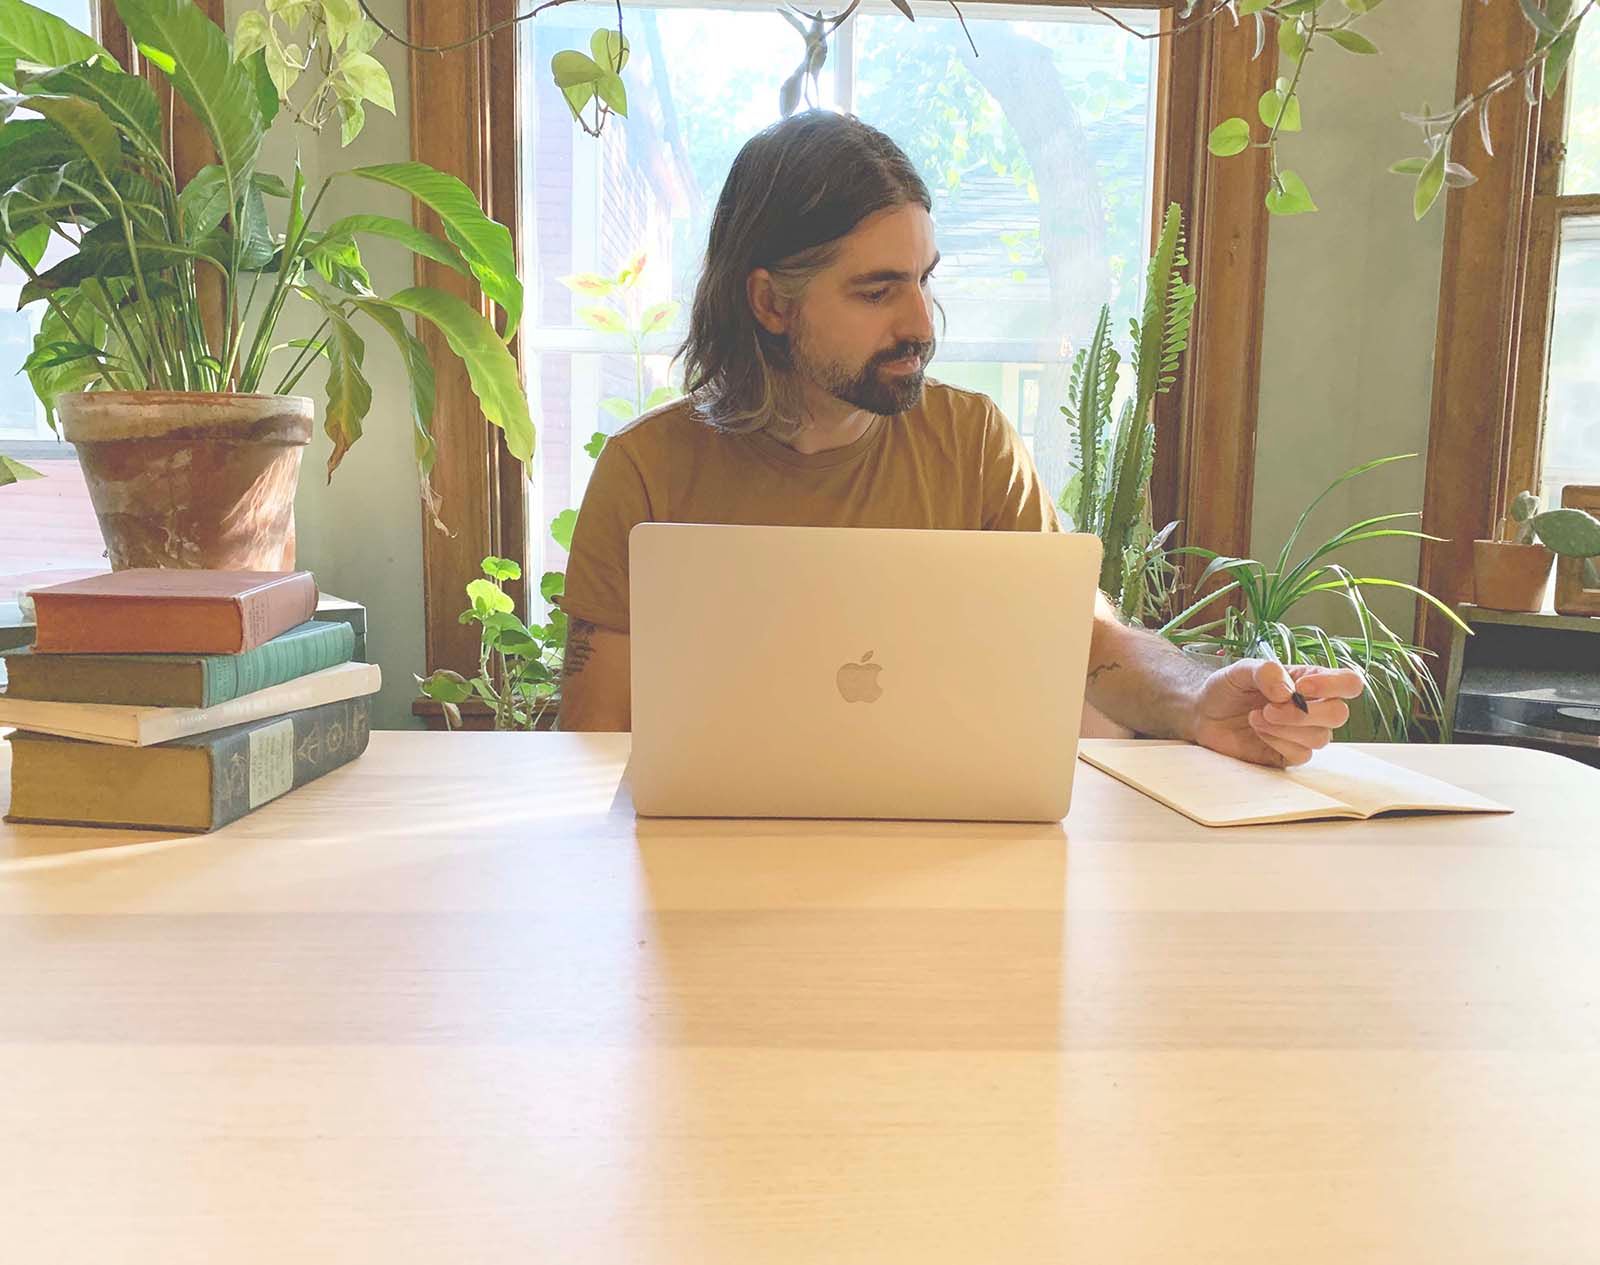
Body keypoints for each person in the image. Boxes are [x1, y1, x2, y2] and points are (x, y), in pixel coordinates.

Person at [555, 111, 1363, 766]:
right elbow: (595, 747)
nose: (920, 324)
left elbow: (1084, 636)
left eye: (924, 279)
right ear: (771, 303)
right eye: (877, 291)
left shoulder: (972, 440)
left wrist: (1197, 698)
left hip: (937, 870)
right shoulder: (648, 473)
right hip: (709, 881)